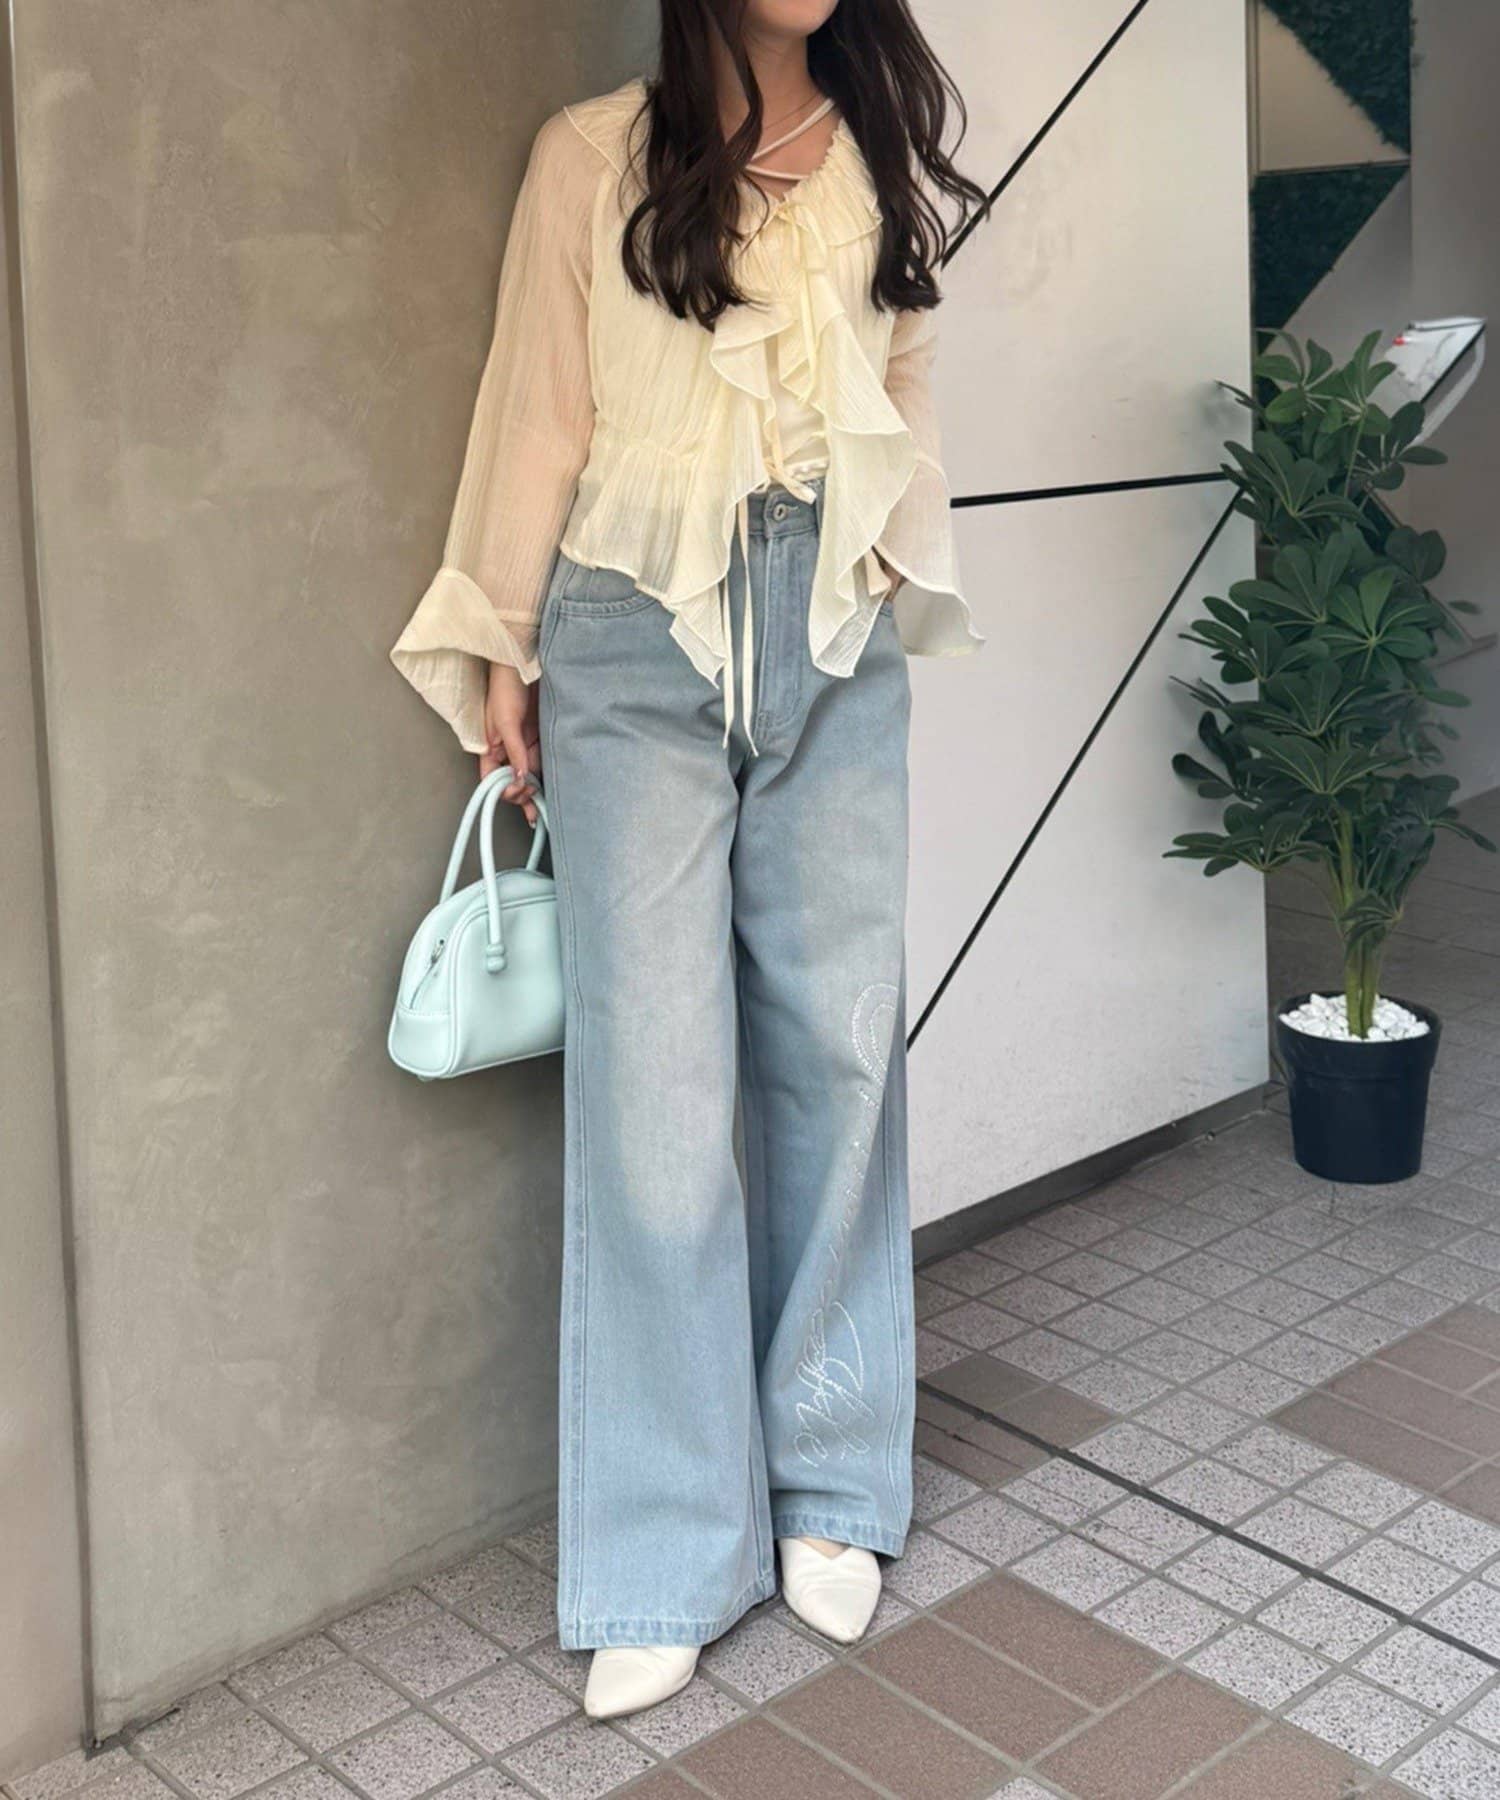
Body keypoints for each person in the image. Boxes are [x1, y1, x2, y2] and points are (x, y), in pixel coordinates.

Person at [390, 0, 986, 1722]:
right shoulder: (593, 155)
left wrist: (890, 563)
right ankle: (664, 1547)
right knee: (653, 1097)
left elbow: (904, 376)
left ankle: (833, 1479)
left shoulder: (875, 156)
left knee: (838, 1051)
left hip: (831, 625)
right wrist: (505, 642)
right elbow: (536, 412)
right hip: (630, 632)